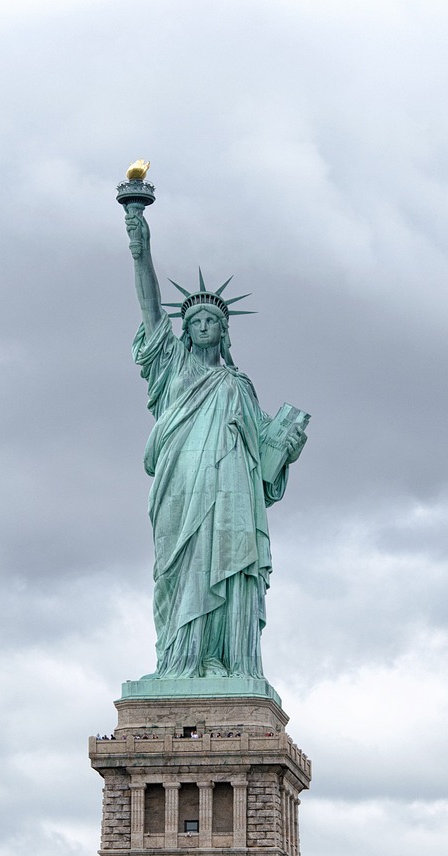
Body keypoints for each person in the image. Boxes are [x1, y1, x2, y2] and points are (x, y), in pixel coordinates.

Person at [123, 201, 308, 682]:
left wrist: (284, 448)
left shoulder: (239, 386)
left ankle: (221, 658)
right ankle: (180, 660)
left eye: (212, 321)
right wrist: (138, 241)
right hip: (181, 487)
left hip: (230, 495)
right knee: (181, 568)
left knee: (224, 565)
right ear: (185, 332)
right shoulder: (172, 368)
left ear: (224, 332)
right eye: (195, 321)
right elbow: (148, 305)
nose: (203, 326)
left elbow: (262, 462)